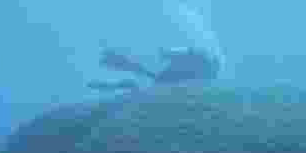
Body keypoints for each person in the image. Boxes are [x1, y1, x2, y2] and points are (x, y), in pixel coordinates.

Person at [91, 45, 220, 91]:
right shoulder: (202, 58)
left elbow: (186, 52)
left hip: (171, 74)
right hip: (171, 72)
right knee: (142, 71)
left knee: (142, 71)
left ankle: (113, 61)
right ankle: (113, 60)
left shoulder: (204, 66)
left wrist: (169, 53)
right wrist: (168, 53)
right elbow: (187, 52)